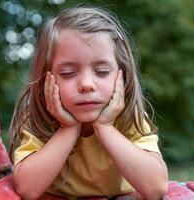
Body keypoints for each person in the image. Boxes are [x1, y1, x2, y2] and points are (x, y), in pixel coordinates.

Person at [9, 6, 168, 200]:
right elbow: (27, 189)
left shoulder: (129, 118)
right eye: (68, 73)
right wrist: (68, 129)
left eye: (101, 71)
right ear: (46, 80)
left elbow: (156, 188)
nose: (86, 84)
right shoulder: (38, 120)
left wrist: (105, 127)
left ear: (122, 77)